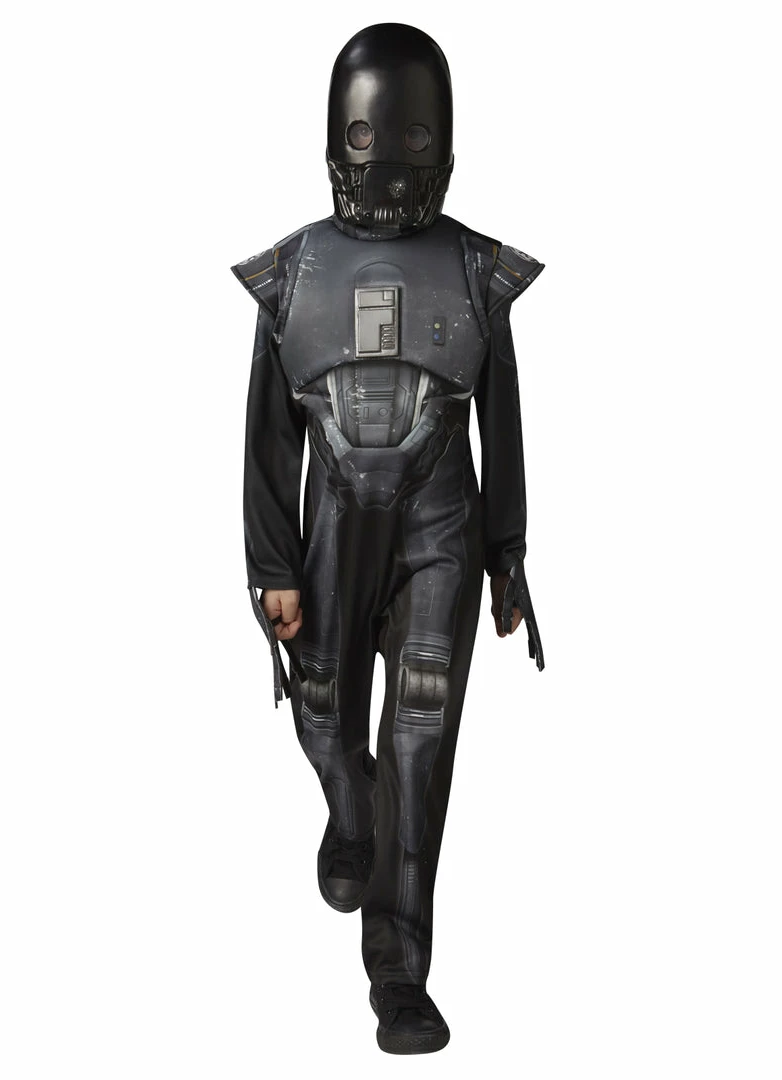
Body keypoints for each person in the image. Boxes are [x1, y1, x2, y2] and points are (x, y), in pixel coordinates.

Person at [231, 22, 545, 1055]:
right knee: (323, 713)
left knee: (420, 735)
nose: (392, 160)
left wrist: (506, 554)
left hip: (440, 523)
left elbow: (502, 418)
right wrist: (272, 564)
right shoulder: (295, 272)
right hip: (332, 519)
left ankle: (399, 975)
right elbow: (269, 434)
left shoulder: (474, 270)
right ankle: (351, 810)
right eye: (374, 137)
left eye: (412, 138)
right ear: (339, 136)